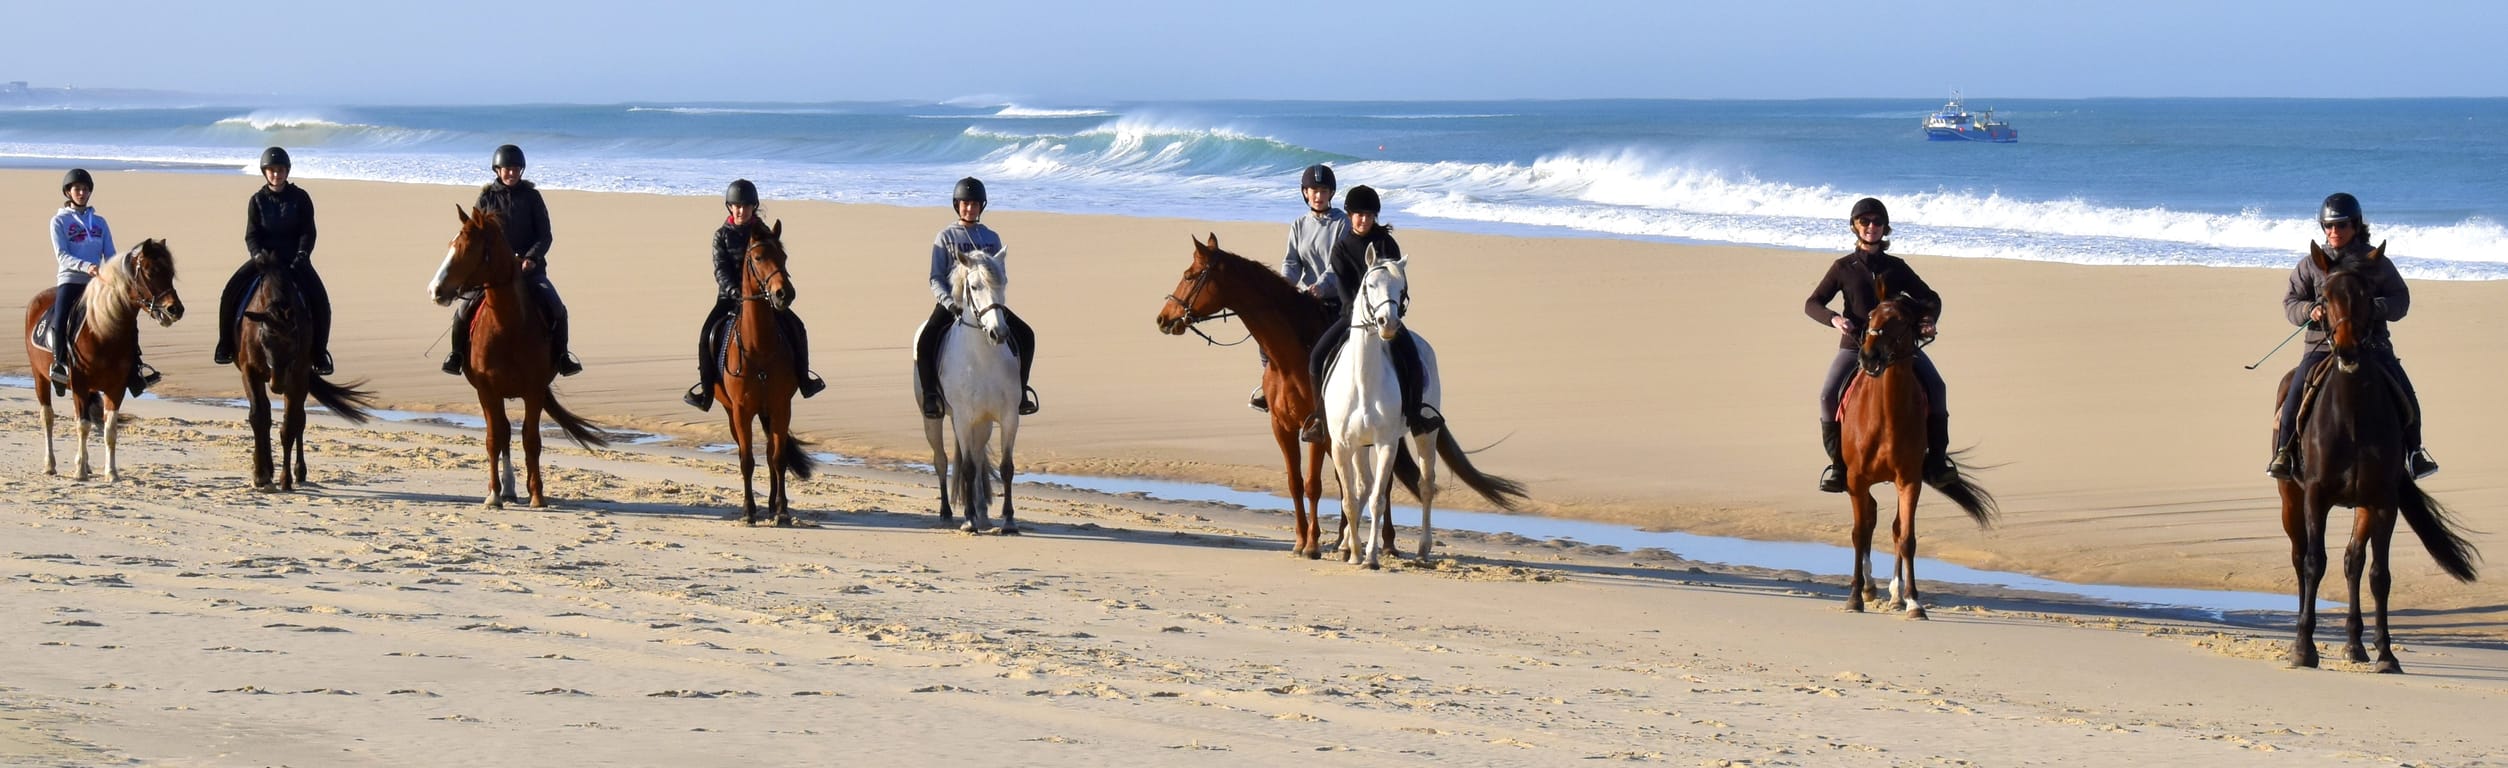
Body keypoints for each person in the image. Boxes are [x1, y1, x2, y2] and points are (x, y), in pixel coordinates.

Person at [2266, 192, 2437, 480]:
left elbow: (2400, 300)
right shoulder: (2310, 264)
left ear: (2355, 226)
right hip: (2321, 346)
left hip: (2372, 345)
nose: (2334, 232)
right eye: (2328, 226)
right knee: (2294, 391)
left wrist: (2372, 307)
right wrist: (2310, 309)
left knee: (2404, 390)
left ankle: (2415, 452)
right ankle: (2283, 452)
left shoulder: (2375, 261)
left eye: (2341, 225)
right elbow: (2290, 304)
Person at [1804, 197, 1958, 491]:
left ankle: (1937, 461)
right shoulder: (1842, 268)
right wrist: (1834, 319)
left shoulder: (1896, 267)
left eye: (1877, 222)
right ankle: (1838, 466)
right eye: (1865, 221)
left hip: (1899, 350)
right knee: (1827, 396)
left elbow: (1930, 298)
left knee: (1937, 387)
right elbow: (1812, 303)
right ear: (1854, 226)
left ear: (1885, 228)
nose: (1871, 226)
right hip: (1855, 347)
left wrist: (1928, 320)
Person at [1299, 184, 1439, 442]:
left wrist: (1391, 310)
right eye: (1358, 214)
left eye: (1369, 214)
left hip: (1387, 316)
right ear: (1350, 215)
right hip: (1352, 317)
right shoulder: (1341, 248)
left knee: (1412, 356)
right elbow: (1343, 289)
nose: (1364, 219)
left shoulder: (1387, 243)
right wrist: (1359, 314)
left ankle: (1415, 415)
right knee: (1317, 357)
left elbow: (1399, 283)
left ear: (1375, 216)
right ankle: (1320, 419)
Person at [682, 178, 827, 411]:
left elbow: (773, 265)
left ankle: (805, 381)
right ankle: (706, 391)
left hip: (764, 299)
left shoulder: (764, 235)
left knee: (797, 327)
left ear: (753, 207)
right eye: (736, 206)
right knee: (706, 335)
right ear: (730, 207)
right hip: (729, 298)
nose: (741, 211)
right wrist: (736, 292)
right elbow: (721, 270)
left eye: (746, 206)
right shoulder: (722, 236)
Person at [446, 144, 579, 376]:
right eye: (507, 169)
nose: (511, 173)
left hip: (530, 270)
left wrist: (532, 257)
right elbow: (474, 233)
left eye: (516, 169)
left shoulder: (532, 197)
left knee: (556, 306)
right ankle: (456, 355)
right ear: (497, 170)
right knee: (463, 310)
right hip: (493, 272)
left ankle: (562, 357)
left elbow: (545, 235)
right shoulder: (486, 197)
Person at [914, 176, 1038, 419]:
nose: (969, 208)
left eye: (974, 204)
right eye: (965, 203)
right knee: (925, 340)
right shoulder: (945, 237)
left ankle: (1020, 392)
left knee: (1026, 334)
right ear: (956, 205)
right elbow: (935, 278)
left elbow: (1000, 278)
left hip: (987, 306)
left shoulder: (991, 238)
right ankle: (931, 395)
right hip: (954, 305)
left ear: (982, 206)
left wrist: (996, 303)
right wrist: (950, 304)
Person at [214, 147, 333, 376]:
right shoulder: (257, 200)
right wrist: (257, 255)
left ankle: (320, 354)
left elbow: (308, 232)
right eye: (272, 170)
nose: (276, 175)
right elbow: (251, 234)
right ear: (265, 173)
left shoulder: (301, 198)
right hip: (264, 261)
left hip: (294, 260)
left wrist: (302, 255)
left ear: (287, 172)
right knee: (230, 291)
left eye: (280, 170)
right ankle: (225, 345)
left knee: (320, 300)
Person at [45, 169, 160, 393]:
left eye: (85, 189)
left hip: (100, 281)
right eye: (77, 189)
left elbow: (111, 254)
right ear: (68, 192)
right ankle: (60, 366)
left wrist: (118, 272)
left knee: (128, 316)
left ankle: (135, 369)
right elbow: (62, 255)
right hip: (71, 279)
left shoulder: (99, 222)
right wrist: (86, 266)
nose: (82, 192)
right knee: (60, 320)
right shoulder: (59, 221)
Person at [1251, 163, 1345, 413]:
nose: (1318, 195)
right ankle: (1270, 385)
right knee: (1268, 333)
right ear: (1304, 192)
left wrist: (1320, 287)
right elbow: (1292, 261)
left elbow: (1338, 266)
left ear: (1331, 193)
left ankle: (1330, 396)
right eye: (1313, 190)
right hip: (1304, 298)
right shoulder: (1299, 225)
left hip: (1332, 300)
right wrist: (1283, 285)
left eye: (1323, 190)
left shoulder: (1342, 224)